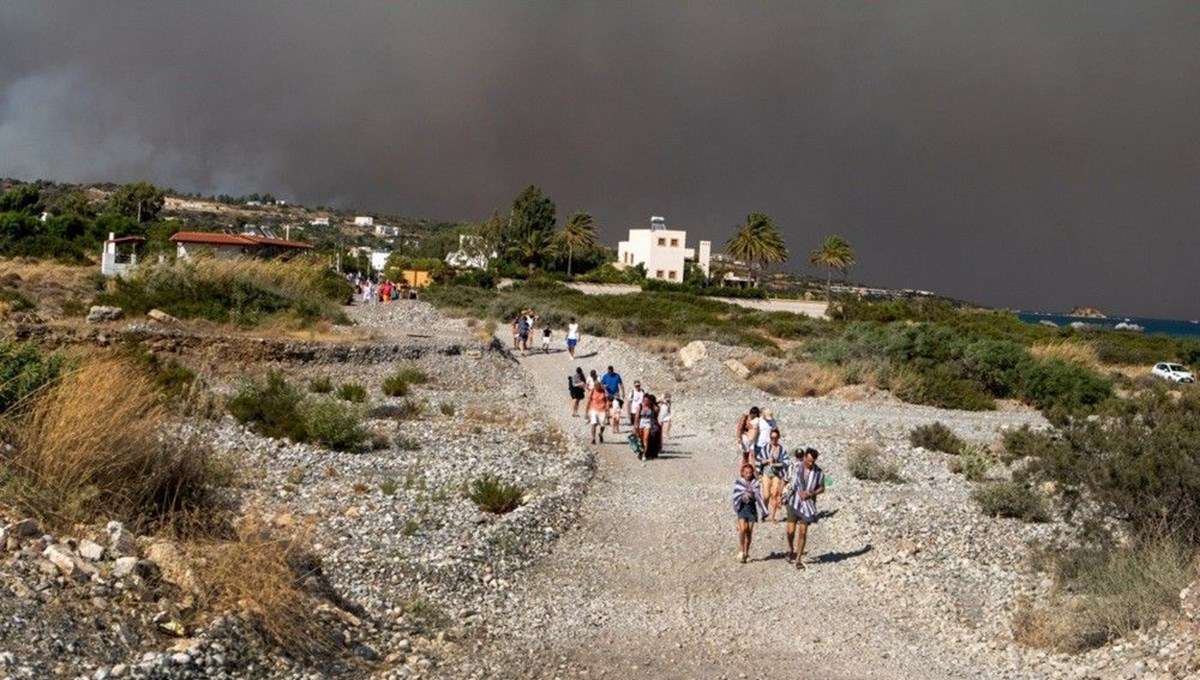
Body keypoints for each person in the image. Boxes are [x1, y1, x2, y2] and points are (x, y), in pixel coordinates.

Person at [783, 447, 825, 569]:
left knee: (803, 532)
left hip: (807, 505)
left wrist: (811, 493)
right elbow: (786, 480)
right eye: (809, 460)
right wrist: (781, 496)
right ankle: (791, 548)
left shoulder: (819, 472)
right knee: (791, 531)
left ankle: (798, 559)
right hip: (793, 501)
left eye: (813, 461)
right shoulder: (795, 467)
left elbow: (822, 488)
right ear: (805, 457)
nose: (810, 463)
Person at [732, 462, 767, 564]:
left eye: (750, 473)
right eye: (746, 472)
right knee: (742, 530)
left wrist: (752, 494)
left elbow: (758, 496)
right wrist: (742, 496)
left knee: (749, 531)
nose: (748, 474)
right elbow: (736, 495)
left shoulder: (755, 483)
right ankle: (742, 550)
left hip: (751, 508)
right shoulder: (739, 482)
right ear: (742, 473)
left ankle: (747, 552)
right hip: (742, 508)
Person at [762, 430, 788, 522]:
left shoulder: (782, 450)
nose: (773, 439)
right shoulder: (765, 448)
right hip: (766, 472)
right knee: (766, 495)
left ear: (778, 437)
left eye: (775, 438)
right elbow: (759, 460)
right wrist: (766, 461)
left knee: (775, 494)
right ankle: (764, 512)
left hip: (776, 473)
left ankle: (772, 517)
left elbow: (786, 462)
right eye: (772, 437)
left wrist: (775, 464)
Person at [634, 393, 659, 461]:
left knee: (646, 438)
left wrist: (655, 406)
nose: (645, 402)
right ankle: (641, 452)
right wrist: (635, 426)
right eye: (644, 400)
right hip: (641, 423)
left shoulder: (652, 406)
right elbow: (636, 416)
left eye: (647, 401)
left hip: (648, 423)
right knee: (641, 439)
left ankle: (644, 454)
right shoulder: (640, 406)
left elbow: (656, 412)